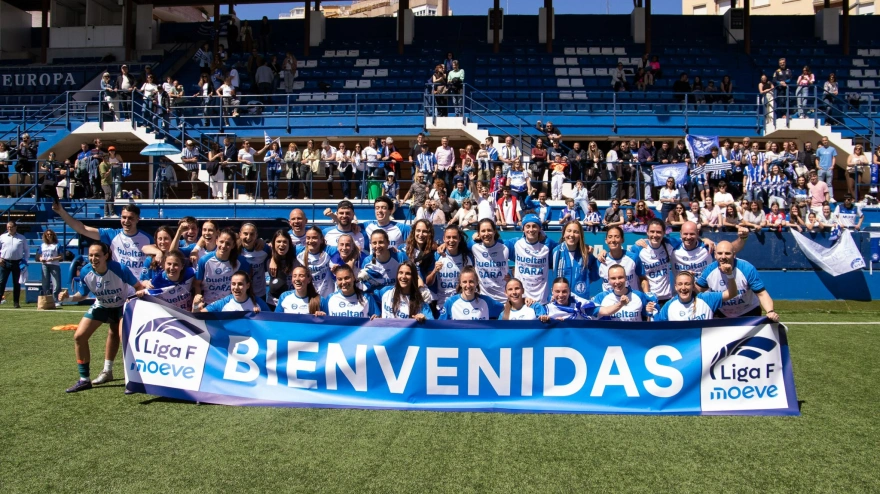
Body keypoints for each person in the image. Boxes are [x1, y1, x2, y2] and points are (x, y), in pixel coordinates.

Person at [61, 243, 145, 392]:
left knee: (123, 336)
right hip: (102, 305)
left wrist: (134, 300)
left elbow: (139, 287)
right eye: (91, 255)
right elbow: (83, 295)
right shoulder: (86, 272)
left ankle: (133, 379)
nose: (93, 258)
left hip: (123, 305)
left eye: (97, 255)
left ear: (106, 256)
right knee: (79, 336)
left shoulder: (119, 269)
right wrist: (68, 298)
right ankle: (84, 379)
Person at [52, 203, 151, 282]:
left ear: (138, 219)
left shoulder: (147, 238)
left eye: (130, 218)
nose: (126, 221)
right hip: (119, 284)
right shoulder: (111, 234)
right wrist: (61, 212)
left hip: (138, 284)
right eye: (124, 217)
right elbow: (82, 229)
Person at [697, 241, 779, 321]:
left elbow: (761, 294)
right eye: (720, 253)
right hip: (721, 311)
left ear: (734, 255)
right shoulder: (709, 271)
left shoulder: (747, 269)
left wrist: (770, 311)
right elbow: (696, 291)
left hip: (748, 311)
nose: (723, 257)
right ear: (715, 255)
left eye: (727, 253)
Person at [193, 228, 251, 309]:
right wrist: (198, 304)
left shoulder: (241, 262)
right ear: (216, 241)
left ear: (233, 245)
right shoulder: (204, 261)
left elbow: (247, 286)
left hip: (230, 306)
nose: (223, 246)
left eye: (228, 243)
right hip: (208, 306)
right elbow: (197, 284)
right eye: (221, 242)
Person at [654, 270, 739, 321]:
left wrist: (730, 275)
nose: (683, 288)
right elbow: (659, 328)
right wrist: (652, 313)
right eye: (680, 284)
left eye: (687, 284)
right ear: (675, 287)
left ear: (693, 286)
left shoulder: (707, 299)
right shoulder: (669, 306)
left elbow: (732, 293)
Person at [551, 221, 598, 301]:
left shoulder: (586, 253)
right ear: (564, 233)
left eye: (576, 232)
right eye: (569, 231)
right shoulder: (556, 251)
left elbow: (596, 271)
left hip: (581, 300)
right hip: (561, 300)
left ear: (580, 235)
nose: (572, 235)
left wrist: (585, 281)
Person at [590, 265, 656, 322]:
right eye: (613, 278)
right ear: (608, 280)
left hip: (634, 336)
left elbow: (647, 321)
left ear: (626, 278)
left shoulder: (639, 295)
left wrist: (649, 312)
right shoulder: (601, 297)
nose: (617, 282)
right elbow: (591, 316)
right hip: (611, 336)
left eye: (620, 277)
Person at [596, 226, 645, 293]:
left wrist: (647, 295)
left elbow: (643, 279)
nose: (613, 240)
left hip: (632, 301)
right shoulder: (600, 260)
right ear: (606, 240)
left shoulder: (633, 258)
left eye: (617, 237)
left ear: (622, 240)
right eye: (610, 237)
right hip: (610, 302)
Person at [296, 226, 337, 297]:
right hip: (308, 295)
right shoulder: (299, 251)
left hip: (327, 296)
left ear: (321, 239)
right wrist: (273, 261)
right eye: (308, 238)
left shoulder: (328, 250)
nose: (311, 241)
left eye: (314, 238)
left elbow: (345, 248)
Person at [203, 271, 269, 313]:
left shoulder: (258, 302)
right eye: (233, 284)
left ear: (248, 285)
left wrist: (260, 315)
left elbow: (272, 321)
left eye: (240, 284)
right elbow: (200, 314)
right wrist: (195, 306)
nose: (236, 288)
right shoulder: (224, 302)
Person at [239, 223, 272, 301]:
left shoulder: (264, 248)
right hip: (240, 293)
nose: (248, 237)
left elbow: (276, 254)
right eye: (245, 234)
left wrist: (273, 259)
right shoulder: (234, 250)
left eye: (252, 234)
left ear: (256, 235)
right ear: (240, 234)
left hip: (259, 294)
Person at [0, 220, 28, 308]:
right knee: (1, 282)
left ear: (15, 227)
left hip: (17, 262)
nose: (9, 228)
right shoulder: (2, 237)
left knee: (16, 283)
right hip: (4, 262)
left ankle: (16, 302)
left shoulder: (21, 238)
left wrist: (25, 261)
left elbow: (26, 250)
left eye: (11, 227)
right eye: (8, 227)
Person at [36, 229, 63, 303]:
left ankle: (56, 300)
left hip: (54, 264)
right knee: (45, 283)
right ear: (45, 236)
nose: (49, 236)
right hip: (45, 265)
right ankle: (47, 299)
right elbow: (39, 255)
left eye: (51, 234)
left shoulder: (57, 245)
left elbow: (61, 256)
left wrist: (53, 258)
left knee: (56, 283)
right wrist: (41, 259)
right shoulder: (42, 245)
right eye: (48, 234)